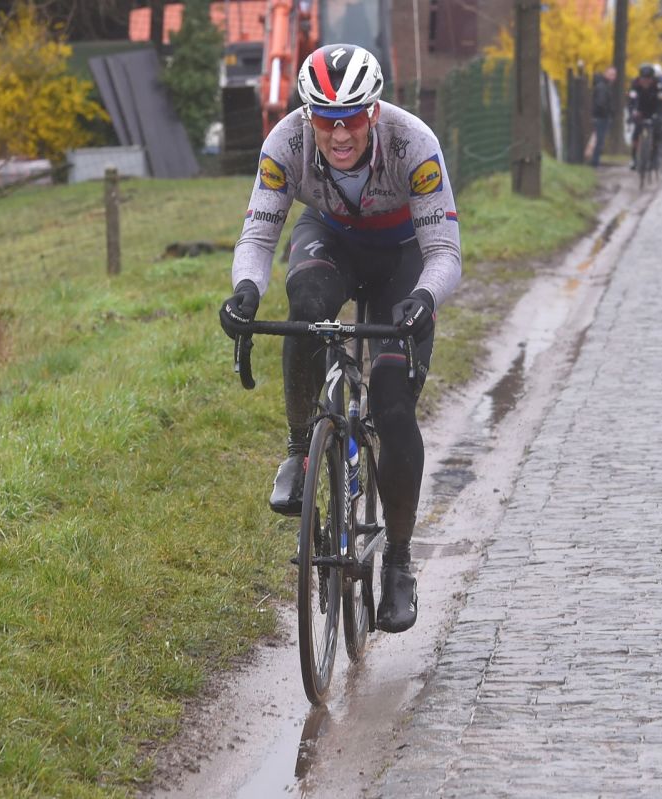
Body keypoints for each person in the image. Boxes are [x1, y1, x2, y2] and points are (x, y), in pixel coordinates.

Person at [218, 44, 462, 633]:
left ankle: (398, 561)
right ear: (308, 116)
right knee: (305, 306)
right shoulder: (285, 142)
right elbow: (258, 237)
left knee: (392, 406)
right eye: (325, 120)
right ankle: (300, 448)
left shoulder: (414, 144)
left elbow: (444, 253)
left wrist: (424, 299)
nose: (340, 133)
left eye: (352, 117)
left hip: (403, 256)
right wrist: (246, 290)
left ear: (373, 111)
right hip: (330, 238)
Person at [627, 64, 662, 169]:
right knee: (636, 133)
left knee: (658, 132)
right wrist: (632, 113)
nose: (645, 82)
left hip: (654, 109)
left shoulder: (659, 85)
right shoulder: (635, 84)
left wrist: (660, 116)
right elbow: (631, 101)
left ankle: (655, 158)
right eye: (643, 79)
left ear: (652, 79)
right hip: (640, 110)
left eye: (648, 79)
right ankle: (634, 159)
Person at [589, 66, 617, 167]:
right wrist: (608, 113)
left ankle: (594, 161)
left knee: (598, 140)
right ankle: (594, 163)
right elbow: (601, 103)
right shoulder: (602, 87)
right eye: (611, 74)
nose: (613, 77)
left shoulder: (604, 86)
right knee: (599, 141)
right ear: (605, 74)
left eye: (614, 75)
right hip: (602, 117)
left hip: (601, 116)